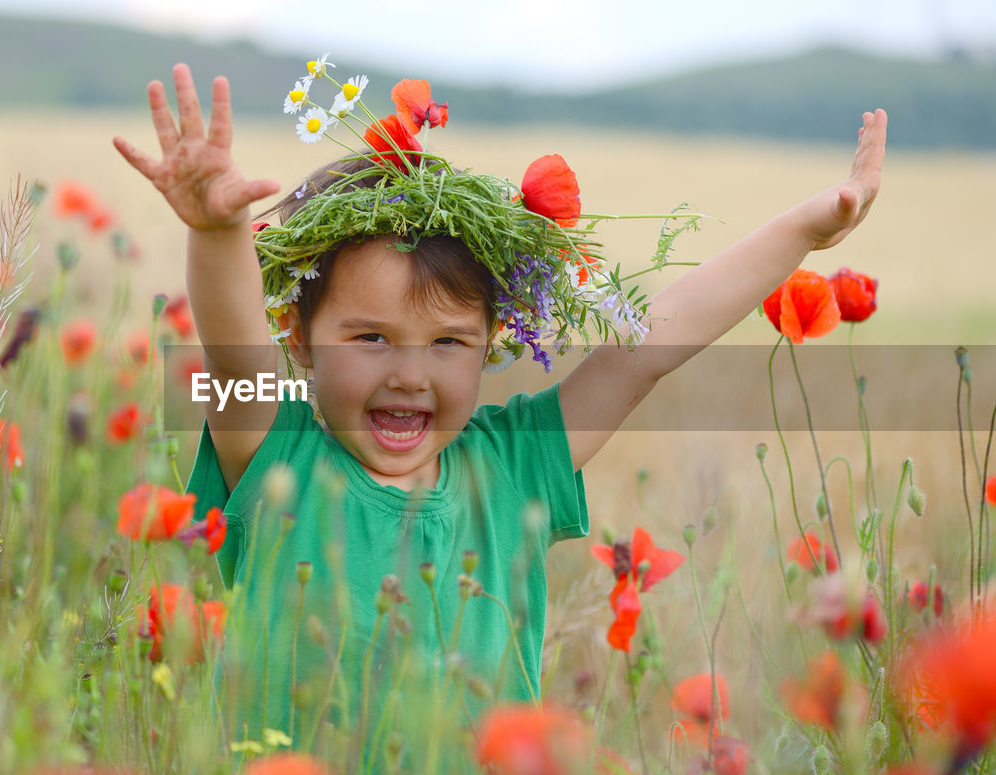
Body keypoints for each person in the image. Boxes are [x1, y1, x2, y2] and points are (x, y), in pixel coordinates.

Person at [114, 61, 887, 759]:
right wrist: (215, 233)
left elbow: (646, 347)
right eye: (371, 336)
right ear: (301, 340)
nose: (410, 374)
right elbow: (230, 349)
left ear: (490, 343)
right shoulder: (275, 454)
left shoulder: (512, 465)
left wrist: (803, 232)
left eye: (449, 341)